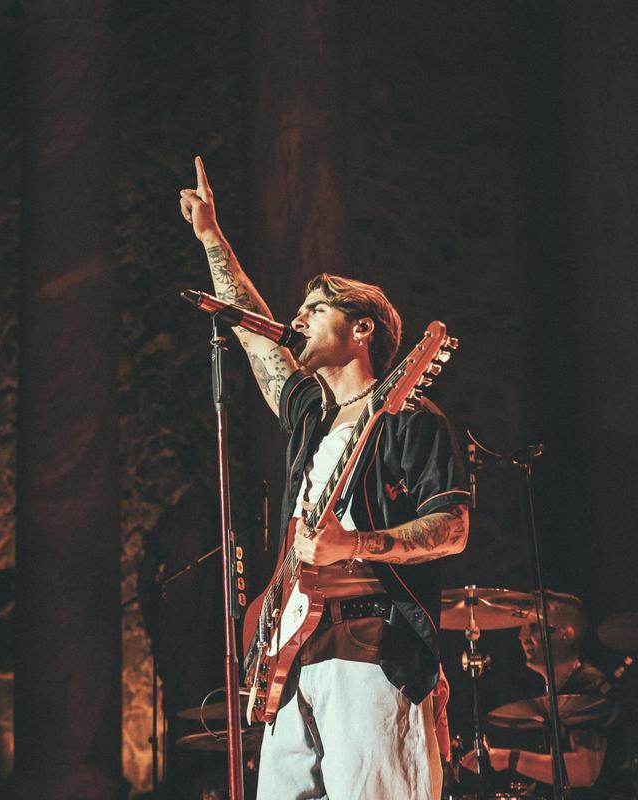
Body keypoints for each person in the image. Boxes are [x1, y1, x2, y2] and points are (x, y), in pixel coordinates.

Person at [179, 156, 471, 800]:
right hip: (296, 655)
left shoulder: (410, 419)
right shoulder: (312, 414)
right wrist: (213, 242)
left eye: (316, 309)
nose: (300, 319)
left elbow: (453, 527)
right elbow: (258, 341)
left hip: (374, 650)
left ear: (361, 328)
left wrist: (356, 545)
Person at [462, 592, 622, 798]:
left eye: (534, 626)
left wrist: (508, 759)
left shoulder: (588, 686)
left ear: (566, 633)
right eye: (523, 626)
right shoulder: (554, 690)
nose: (522, 635)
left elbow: (584, 772)